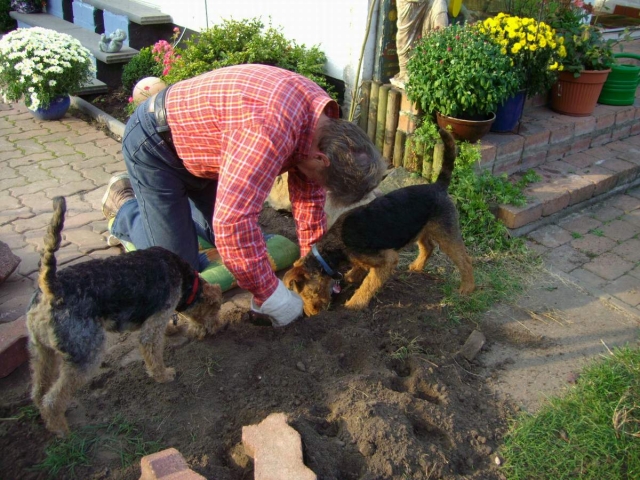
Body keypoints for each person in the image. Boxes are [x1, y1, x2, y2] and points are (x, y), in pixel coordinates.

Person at [102, 64, 387, 328]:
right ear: (322, 159)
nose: (318, 188)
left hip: (209, 153)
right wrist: (270, 295)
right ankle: (125, 205)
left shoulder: (322, 124)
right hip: (155, 146)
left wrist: (315, 264)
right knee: (177, 274)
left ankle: (176, 205)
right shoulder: (268, 130)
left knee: (241, 243)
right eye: (324, 183)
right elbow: (233, 225)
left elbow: (308, 202)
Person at [392, 0, 449, 88]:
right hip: (409, 6)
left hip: (425, 3)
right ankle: (405, 72)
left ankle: (435, 60)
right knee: (406, 38)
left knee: (440, 4)